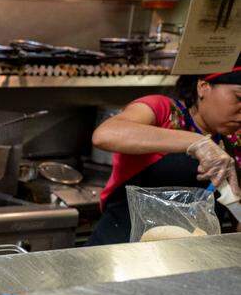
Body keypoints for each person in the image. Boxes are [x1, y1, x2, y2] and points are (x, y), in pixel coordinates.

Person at [87, 67, 241, 245]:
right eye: (239, 98)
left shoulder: (234, 141)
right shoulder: (163, 111)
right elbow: (106, 134)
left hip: (190, 255)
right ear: (203, 87)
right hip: (122, 249)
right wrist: (198, 142)